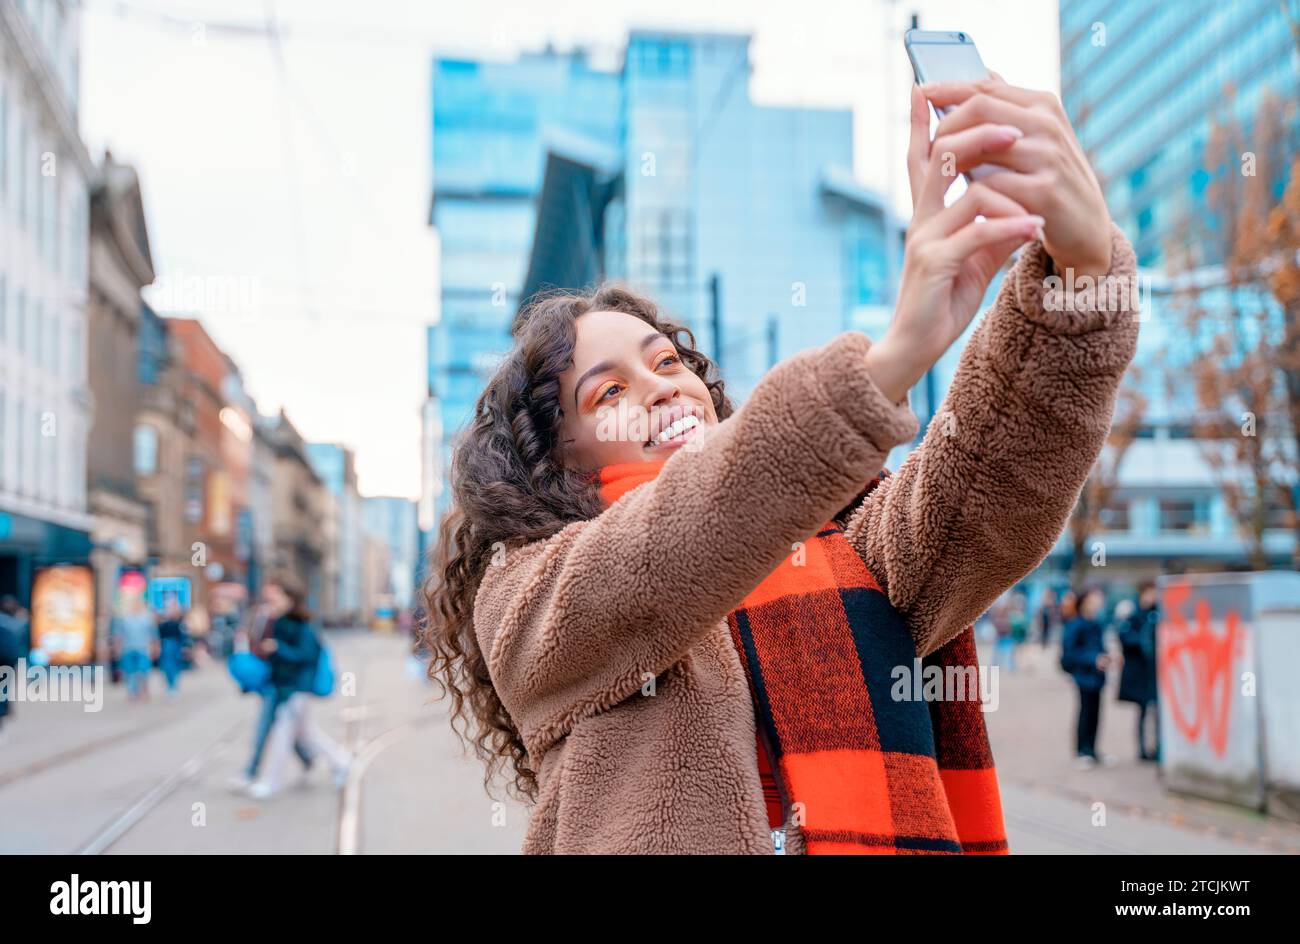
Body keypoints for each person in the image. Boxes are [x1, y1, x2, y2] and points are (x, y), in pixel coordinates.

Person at [420, 74, 1140, 854]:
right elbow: (670, 545)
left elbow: (991, 479)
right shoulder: (534, 596)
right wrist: (897, 351)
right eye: (610, 390)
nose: (663, 384)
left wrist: (1080, 265)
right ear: (554, 457)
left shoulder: (843, 541)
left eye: (667, 360)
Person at [246, 576, 352, 799]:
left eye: (277, 597)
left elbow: (307, 656)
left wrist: (278, 648)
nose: (272, 601)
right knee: (307, 735)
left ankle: (270, 782)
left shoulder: (303, 625)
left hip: (297, 689)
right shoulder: (276, 621)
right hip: (283, 686)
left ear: (290, 599)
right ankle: (342, 762)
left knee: (283, 735)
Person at [1061, 587, 1117, 769]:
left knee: (1095, 713)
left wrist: (1108, 657)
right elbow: (1070, 653)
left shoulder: (1096, 623)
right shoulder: (1076, 624)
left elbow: (1099, 648)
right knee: (1085, 712)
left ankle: (1092, 750)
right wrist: (1093, 659)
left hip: (1097, 676)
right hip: (1084, 676)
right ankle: (1082, 751)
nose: (1098, 603)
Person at [1118, 581, 1160, 762]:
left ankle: (1158, 749)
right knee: (1142, 711)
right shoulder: (1133, 614)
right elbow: (1125, 638)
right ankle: (1142, 750)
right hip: (1140, 672)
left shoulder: (1158, 613)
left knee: (1157, 712)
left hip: (1154, 672)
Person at [111, 597, 159, 702]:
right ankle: (132, 692)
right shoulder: (125, 619)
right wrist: (117, 648)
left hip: (143, 649)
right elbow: (119, 635)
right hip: (128, 649)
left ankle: (144, 690)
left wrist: (155, 648)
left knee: (143, 672)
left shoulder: (147, 619)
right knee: (129, 672)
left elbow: (153, 635)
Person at [156, 601, 191, 698]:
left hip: (176, 647)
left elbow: (185, 637)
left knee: (176, 667)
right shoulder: (164, 624)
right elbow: (158, 636)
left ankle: (174, 685)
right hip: (166, 648)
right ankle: (169, 685)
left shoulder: (181, 624)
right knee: (167, 667)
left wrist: (186, 647)